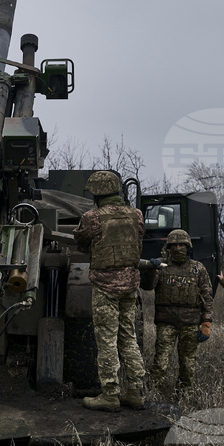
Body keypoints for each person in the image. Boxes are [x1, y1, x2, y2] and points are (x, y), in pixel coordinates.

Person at [73, 170, 146, 412]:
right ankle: (136, 392)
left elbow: (81, 241)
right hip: (130, 285)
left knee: (106, 341)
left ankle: (110, 394)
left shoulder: (92, 217)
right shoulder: (136, 215)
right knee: (128, 338)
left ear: (95, 194)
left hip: (105, 286)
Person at [142, 229, 213, 393]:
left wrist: (206, 323)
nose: (178, 248)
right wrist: (151, 270)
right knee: (160, 362)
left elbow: (207, 296)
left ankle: (183, 394)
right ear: (169, 247)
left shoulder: (198, 268)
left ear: (188, 246)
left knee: (188, 364)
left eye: (181, 245)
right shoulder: (161, 266)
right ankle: (153, 393)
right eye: (174, 245)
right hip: (166, 322)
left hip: (191, 323)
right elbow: (148, 286)